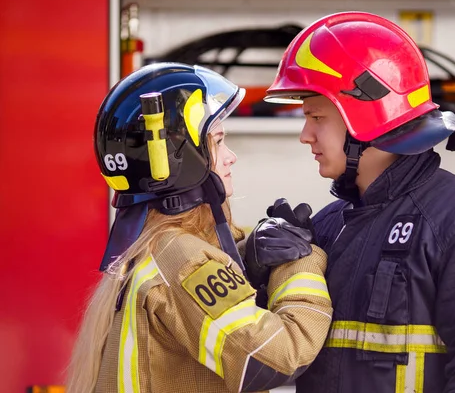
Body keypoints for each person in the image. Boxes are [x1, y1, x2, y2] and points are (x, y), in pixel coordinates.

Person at [262, 11, 455, 392]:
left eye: (315, 116)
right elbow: (273, 349)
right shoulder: (328, 226)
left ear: (367, 116)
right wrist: (261, 266)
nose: (305, 135)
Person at [66, 62, 332, 393]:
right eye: (218, 141)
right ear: (179, 159)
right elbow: (275, 358)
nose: (230, 156)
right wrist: (298, 262)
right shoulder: (185, 260)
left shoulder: (153, 250)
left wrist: (250, 259)